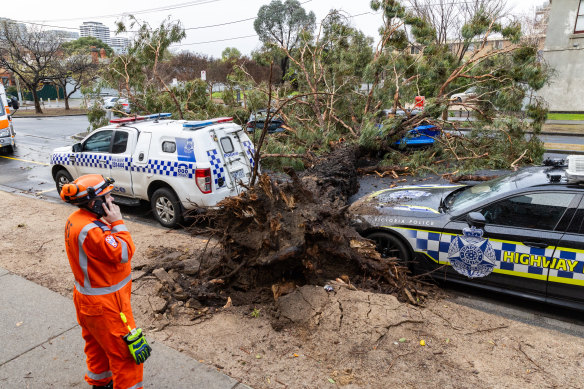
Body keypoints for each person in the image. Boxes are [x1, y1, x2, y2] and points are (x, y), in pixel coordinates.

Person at [61, 174, 151, 389]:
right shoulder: (93, 230)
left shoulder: (77, 219)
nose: (112, 201)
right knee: (127, 355)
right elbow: (123, 253)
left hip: (88, 302)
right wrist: (118, 222)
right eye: (108, 197)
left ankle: (100, 383)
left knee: (98, 348)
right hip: (108, 305)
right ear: (94, 203)